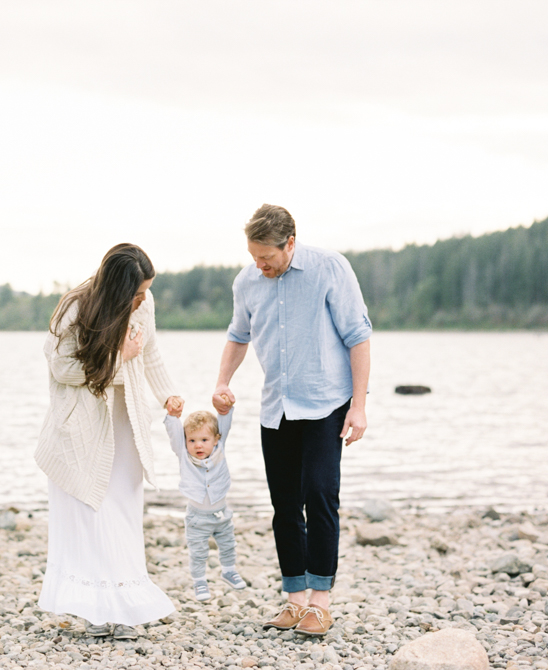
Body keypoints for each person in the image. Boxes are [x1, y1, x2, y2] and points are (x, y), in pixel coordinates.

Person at [212, 204, 372, 637]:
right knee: (284, 505)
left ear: (291, 243)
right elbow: (237, 334)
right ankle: (294, 599)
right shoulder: (247, 281)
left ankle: (320, 603)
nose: (260, 265)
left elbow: (358, 335)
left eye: (267, 257)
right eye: (254, 256)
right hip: (276, 407)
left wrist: (359, 405)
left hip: (326, 402)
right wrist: (222, 382)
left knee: (320, 494)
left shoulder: (329, 268)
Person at [35, 243, 185, 640]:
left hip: (126, 419)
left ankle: (124, 606)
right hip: (84, 426)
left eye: (145, 292)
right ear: (118, 290)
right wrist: (121, 357)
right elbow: (63, 369)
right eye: (136, 294)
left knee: (122, 509)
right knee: (90, 512)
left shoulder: (145, 305)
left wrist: (167, 393)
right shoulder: (77, 309)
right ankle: (96, 610)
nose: (142, 300)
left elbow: (149, 353)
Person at [163, 404, 247, 602]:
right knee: (198, 551)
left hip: (222, 513)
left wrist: (225, 407)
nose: (198, 445)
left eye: (204, 440)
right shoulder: (184, 455)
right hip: (197, 517)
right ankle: (199, 581)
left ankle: (228, 571)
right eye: (192, 440)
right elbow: (174, 433)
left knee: (228, 545)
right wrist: (172, 416)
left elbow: (224, 423)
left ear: (216, 440)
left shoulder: (220, 448)